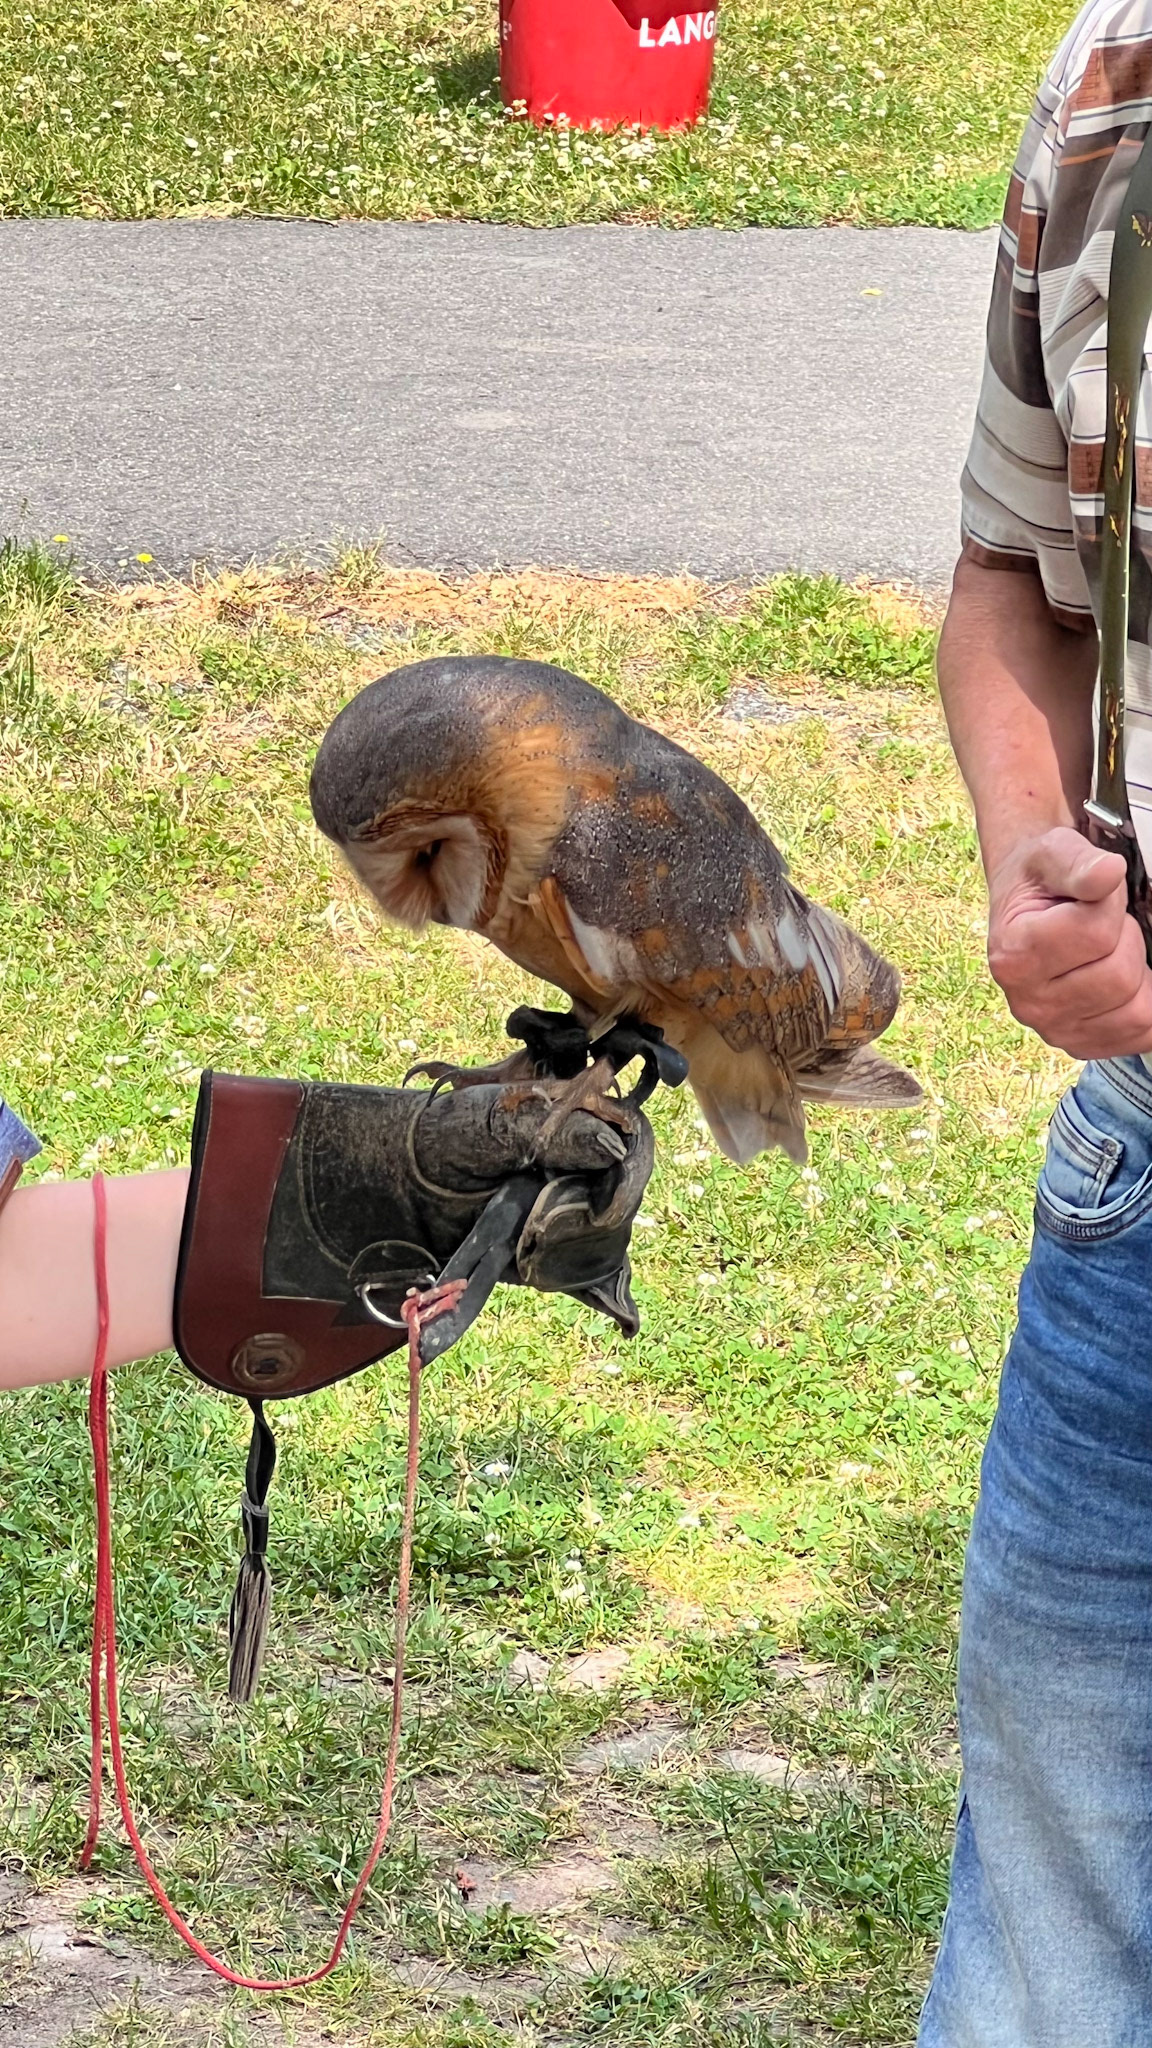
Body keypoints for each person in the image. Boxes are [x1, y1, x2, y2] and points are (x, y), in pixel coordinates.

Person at [921, 3, 1152, 2040]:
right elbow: (1012, 579)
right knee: (1057, 1900)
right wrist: (1031, 861)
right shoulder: (1116, 86)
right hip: (1140, 1186)